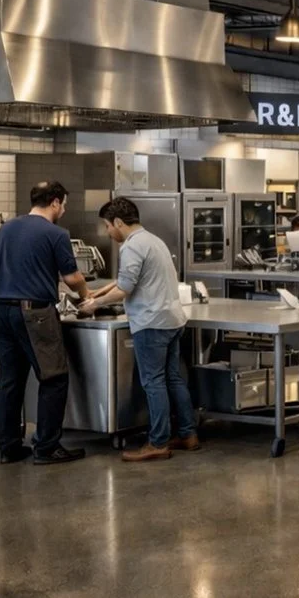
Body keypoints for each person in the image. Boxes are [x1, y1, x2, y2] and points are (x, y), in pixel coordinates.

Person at [81, 198, 198, 462]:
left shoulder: (131, 247)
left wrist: (94, 304)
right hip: (172, 319)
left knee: (153, 382)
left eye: (107, 226)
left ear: (119, 222)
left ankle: (157, 442)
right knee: (173, 379)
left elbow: (126, 288)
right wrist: (100, 290)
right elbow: (128, 280)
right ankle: (188, 434)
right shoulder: (153, 240)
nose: (108, 232)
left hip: (151, 323)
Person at [0, 180, 90, 465]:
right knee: (54, 378)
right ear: (56, 202)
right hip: (34, 313)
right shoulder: (56, 233)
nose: (64, 210)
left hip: (1, 311)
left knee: (11, 380)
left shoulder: (5, 229)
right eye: (64, 204)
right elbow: (72, 277)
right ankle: (46, 447)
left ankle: (8, 447)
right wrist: (85, 296)